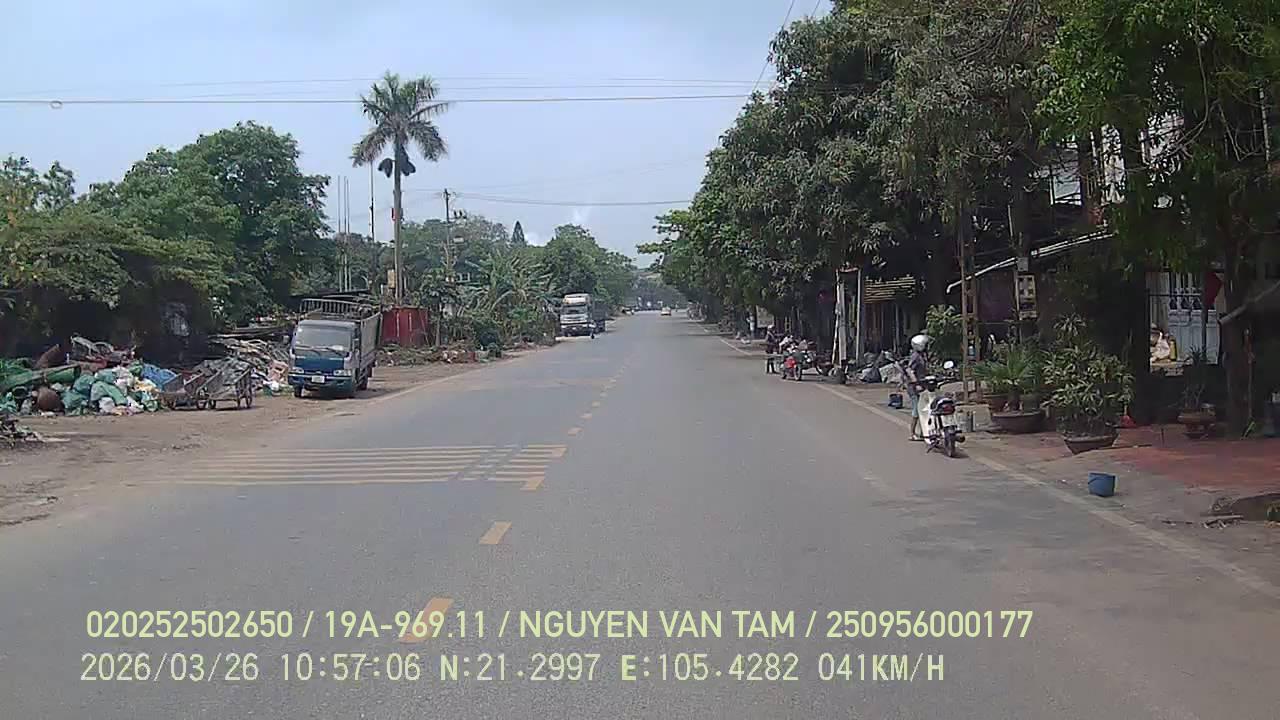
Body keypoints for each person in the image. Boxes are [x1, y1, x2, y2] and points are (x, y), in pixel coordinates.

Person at [904, 333, 931, 441]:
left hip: (922, 385)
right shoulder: (915, 356)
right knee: (916, 410)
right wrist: (917, 384)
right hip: (914, 388)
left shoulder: (922, 356)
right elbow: (909, 370)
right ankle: (912, 433)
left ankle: (923, 432)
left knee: (924, 409)